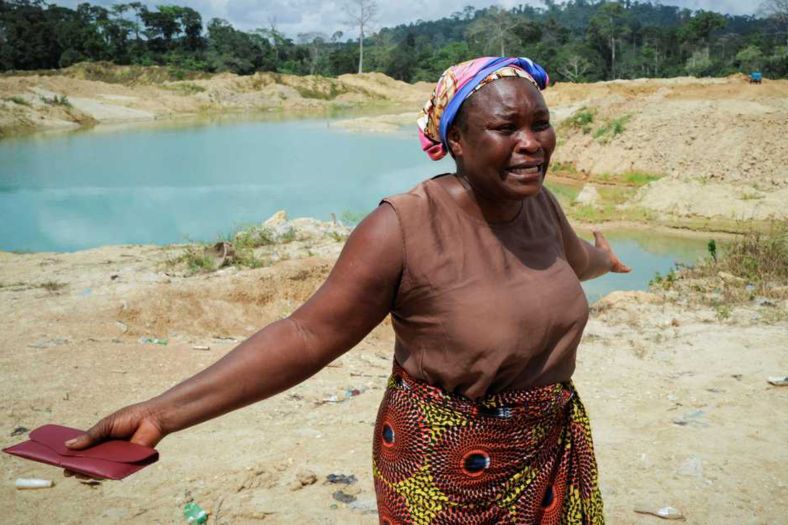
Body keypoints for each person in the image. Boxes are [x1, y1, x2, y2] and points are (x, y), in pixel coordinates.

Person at [65, 56, 630, 524]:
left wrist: (605, 259)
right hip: (445, 473)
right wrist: (161, 414)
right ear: (456, 139)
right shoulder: (402, 229)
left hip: (548, 451)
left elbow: (571, 261)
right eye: (506, 128)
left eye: (541, 123)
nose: (532, 143)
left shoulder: (542, 210)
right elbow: (307, 334)